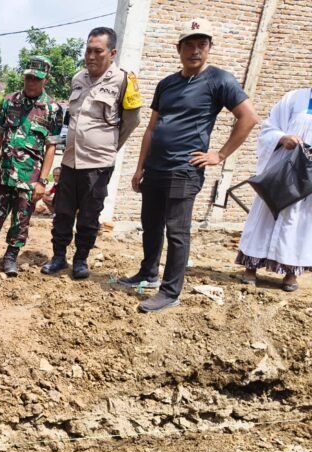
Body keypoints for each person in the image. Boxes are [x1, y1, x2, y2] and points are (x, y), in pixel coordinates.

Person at [119, 19, 259, 312]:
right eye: (190, 45)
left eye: (202, 44)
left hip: (184, 170)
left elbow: (248, 118)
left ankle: (171, 292)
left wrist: (219, 155)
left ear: (209, 48)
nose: (196, 50)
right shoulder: (167, 84)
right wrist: (140, 166)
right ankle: (148, 273)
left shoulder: (220, 80)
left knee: (177, 231)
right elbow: (151, 128)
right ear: (179, 49)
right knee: (151, 226)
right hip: (155, 168)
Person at [41, 27, 142, 280]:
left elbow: (132, 121)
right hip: (71, 160)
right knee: (62, 212)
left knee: (89, 215)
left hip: (98, 164)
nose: (91, 56)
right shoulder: (78, 78)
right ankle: (58, 257)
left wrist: (109, 148)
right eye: (88, 50)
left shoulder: (124, 80)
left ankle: (81, 260)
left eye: (98, 51)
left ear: (112, 53)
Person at [0, 56, 63, 278]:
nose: (31, 82)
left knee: (21, 220)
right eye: (28, 77)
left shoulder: (53, 109)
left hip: (30, 177)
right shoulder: (9, 101)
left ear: (45, 79)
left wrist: (43, 181)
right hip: (4, 172)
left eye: (36, 79)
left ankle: (10, 257)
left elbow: (50, 148)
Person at [236, 88, 312, 291]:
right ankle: (250, 268)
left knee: (301, 222)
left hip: (309, 178)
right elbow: (268, 128)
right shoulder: (295, 98)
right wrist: (282, 138)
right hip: (282, 171)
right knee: (265, 215)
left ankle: (290, 274)